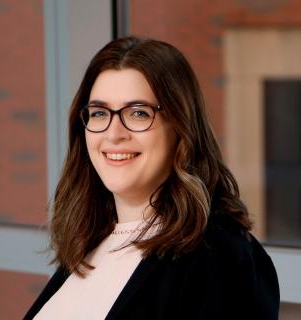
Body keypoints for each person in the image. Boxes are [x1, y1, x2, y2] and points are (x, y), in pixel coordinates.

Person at [24, 36, 279, 320]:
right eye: (99, 113)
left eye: (138, 113)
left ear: (181, 127)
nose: (113, 134)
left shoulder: (222, 257)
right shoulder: (91, 244)